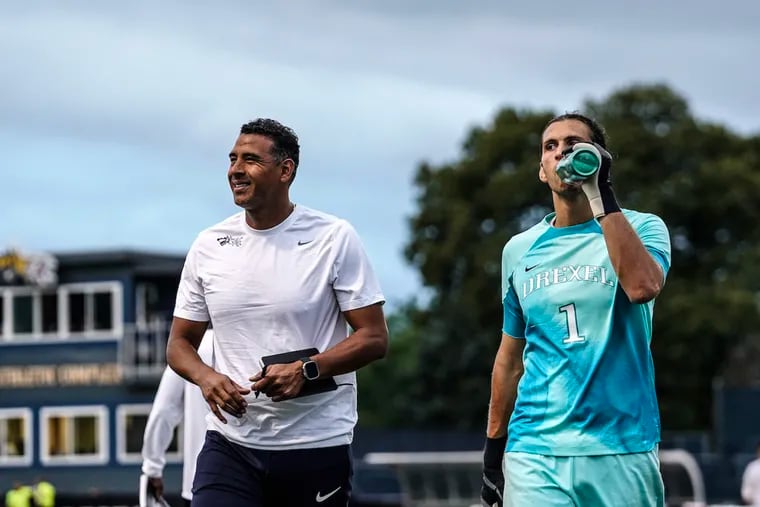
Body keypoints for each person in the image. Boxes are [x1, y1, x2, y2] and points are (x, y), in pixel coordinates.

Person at [166, 118, 388, 507]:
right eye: (232, 159)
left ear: (286, 170)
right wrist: (206, 377)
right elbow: (180, 344)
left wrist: (307, 370)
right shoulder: (208, 245)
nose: (235, 170)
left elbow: (374, 338)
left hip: (316, 444)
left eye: (250, 160)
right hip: (231, 444)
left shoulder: (334, 237)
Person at [480, 112, 671, 507]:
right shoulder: (518, 249)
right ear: (541, 171)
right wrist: (493, 452)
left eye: (573, 144)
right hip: (535, 448)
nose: (561, 152)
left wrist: (601, 194)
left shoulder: (644, 227)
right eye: (550, 146)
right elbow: (510, 359)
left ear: (598, 157)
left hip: (621, 444)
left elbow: (642, 287)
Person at [140, 330, 214, 507]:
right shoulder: (257, 341)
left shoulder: (190, 349)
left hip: (199, 483)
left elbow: (163, 410)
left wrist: (152, 468)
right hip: (260, 478)